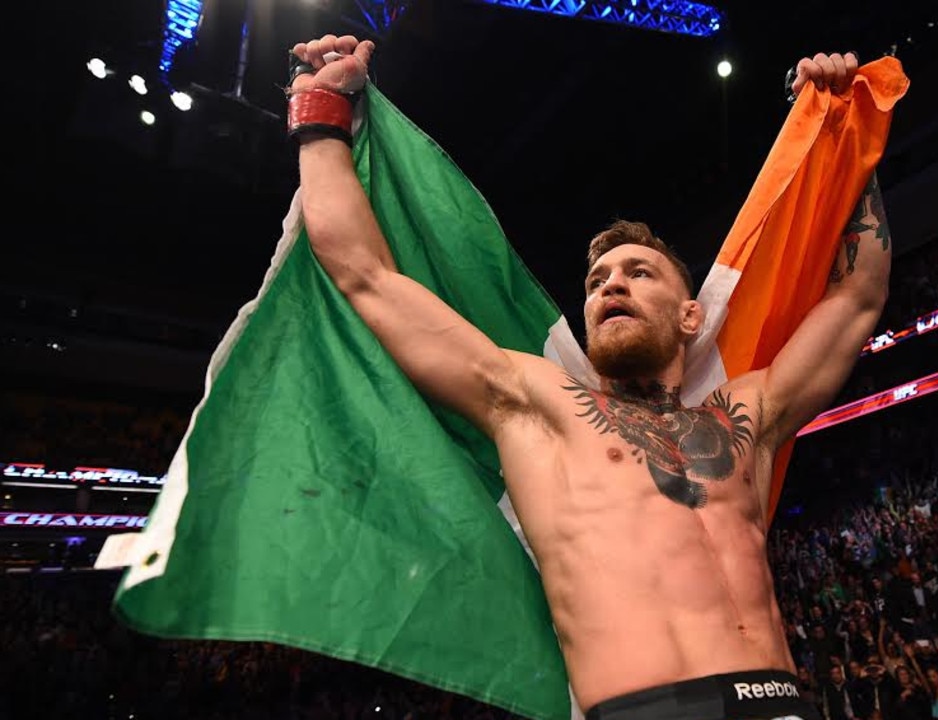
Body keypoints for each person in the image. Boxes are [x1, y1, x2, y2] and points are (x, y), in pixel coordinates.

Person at [288, 34, 891, 720]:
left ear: (691, 317)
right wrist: (322, 107)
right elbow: (366, 277)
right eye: (598, 281)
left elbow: (857, 298)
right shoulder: (535, 403)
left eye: (639, 273)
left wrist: (846, 135)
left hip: (780, 704)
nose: (611, 287)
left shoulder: (749, 414)